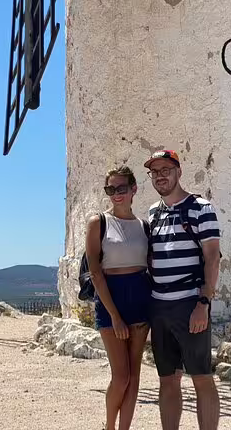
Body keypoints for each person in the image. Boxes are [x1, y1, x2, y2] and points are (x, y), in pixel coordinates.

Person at [144, 150, 222, 430]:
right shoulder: (153, 213)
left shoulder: (201, 208)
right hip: (159, 306)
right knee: (167, 378)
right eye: (155, 171)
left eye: (166, 169)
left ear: (179, 171)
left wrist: (203, 303)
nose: (160, 175)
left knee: (201, 376)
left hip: (190, 304)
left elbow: (213, 257)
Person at [85, 165, 152, 430]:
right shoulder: (98, 223)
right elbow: (95, 271)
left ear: (134, 189)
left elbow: (151, 266)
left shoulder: (144, 226)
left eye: (121, 188)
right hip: (110, 298)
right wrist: (114, 316)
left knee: (134, 376)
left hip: (140, 296)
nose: (116, 194)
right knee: (121, 376)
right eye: (110, 189)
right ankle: (109, 427)